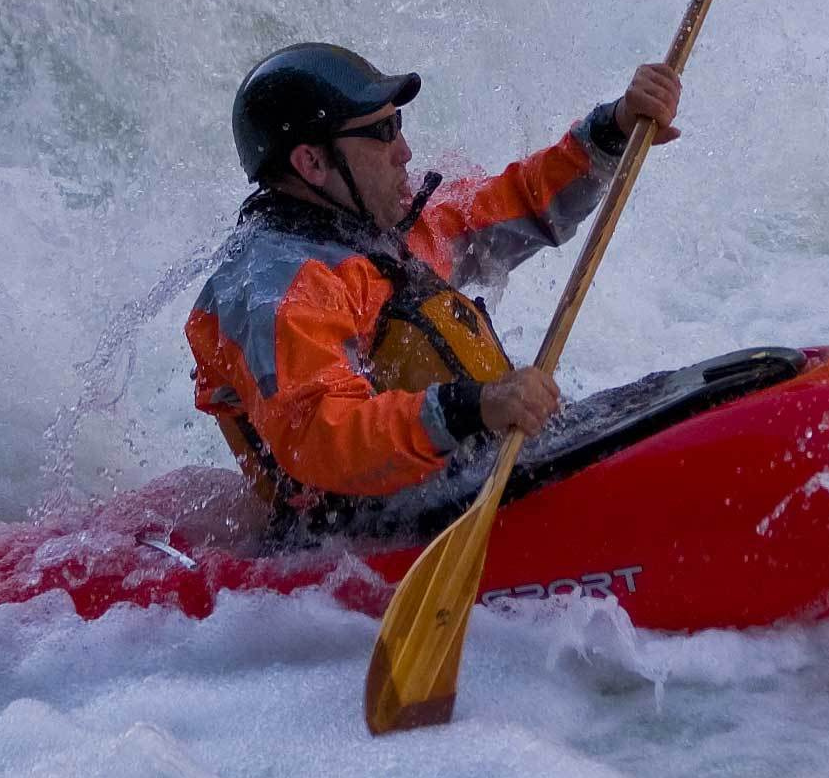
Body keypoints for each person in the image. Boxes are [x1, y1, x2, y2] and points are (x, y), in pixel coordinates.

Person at [186, 42, 683, 530]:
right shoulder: (276, 289)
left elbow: (520, 202)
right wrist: (477, 405)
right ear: (311, 163)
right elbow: (321, 436)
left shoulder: (379, 227)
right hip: (347, 534)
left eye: (398, 124)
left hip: (458, 481)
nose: (404, 151)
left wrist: (613, 128)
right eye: (382, 131)